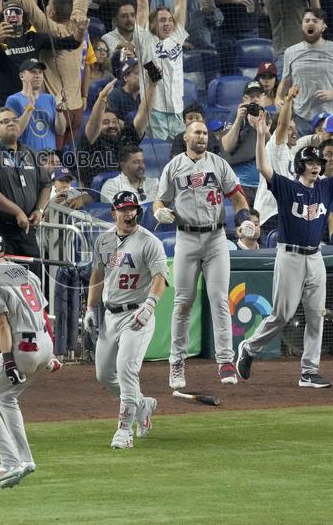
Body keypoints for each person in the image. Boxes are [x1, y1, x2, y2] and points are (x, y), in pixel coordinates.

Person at [237, 110, 333, 388]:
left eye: (318, 162)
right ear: (300, 166)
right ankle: (250, 348)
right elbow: (263, 167)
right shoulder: (286, 187)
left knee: (316, 314)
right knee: (281, 314)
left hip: (315, 256)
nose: (317, 166)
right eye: (311, 163)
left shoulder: (327, 187)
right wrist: (260, 136)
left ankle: (309, 370)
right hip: (289, 255)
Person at [153, 120, 251, 387]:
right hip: (186, 237)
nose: (202, 136)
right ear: (186, 137)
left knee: (220, 299)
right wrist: (159, 211)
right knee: (182, 302)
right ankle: (176, 363)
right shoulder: (173, 167)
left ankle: (225, 361)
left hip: (216, 237)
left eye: (205, 133)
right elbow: (159, 200)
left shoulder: (219, 164)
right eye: (197, 132)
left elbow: (237, 196)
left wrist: (243, 218)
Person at [84, 190, 167, 449]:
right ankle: (142, 405)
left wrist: (150, 305)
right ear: (114, 212)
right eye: (123, 209)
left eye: (132, 209)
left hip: (137, 315)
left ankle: (124, 430)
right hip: (111, 315)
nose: (128, 213)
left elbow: (160, 278)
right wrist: (89, 308)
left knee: (126, 369)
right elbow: (97, 275)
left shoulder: (149, 241)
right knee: (104, 374)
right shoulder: (104, 241)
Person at [0, 229, 54, 486]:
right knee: (8, 399)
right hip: (44, 342)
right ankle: (25, 459)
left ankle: (9, 461)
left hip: (23, 347)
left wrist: (8, 360)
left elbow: (1, 323)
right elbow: (43, 313)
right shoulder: (23, 271)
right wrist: (52, 353)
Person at [0, 0, 90, 148]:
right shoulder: (79, 22)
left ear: (52, 12)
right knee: (67, 161)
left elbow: (27, 2)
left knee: (50, 158)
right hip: (77, 109)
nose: (45, 7)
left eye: (47, 5)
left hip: (55, 110)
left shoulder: (49, 27)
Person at [0, 107, 51, 278]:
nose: (11, 123)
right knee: (7, 284)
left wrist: (39, 210)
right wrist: (17, 211)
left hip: (26, 230)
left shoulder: (29, 152)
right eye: (5, 121)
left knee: (33, 281)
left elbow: (46, 184)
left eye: (15, 120)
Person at [0, 0, 84, 115]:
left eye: (17, 12)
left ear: (23, 18)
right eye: (8, 12)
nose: (13, 15)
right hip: (3, 102)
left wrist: (80, 30)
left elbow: (72, 43)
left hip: (29, 101)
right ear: (2, 18)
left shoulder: (34, 38)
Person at [277, 9, 333, 135]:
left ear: (323, 26)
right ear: (302, 25)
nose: (310, 23)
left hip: (328, 119)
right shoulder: (290, 52)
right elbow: (285, 81)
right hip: (300, 118)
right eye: (307, 21)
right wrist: (278, 97)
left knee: (327, 154)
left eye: (315, 21)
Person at [134, 0, 188, 140]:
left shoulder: (176, 38)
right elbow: (142, 7)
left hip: (177, 110)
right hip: (155, 110)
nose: (168, 24)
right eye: (162, 20)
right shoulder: (145, 40)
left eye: (170, 20)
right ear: (153, 24)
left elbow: (180, 4)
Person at [79, 77, 151, 187]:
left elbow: (143, 117)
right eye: (106, 122)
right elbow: (93, 123)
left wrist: (152, 86)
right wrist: (102, 98)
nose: (111, 125)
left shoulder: (126, 138)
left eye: (114, 122)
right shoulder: (91, 141)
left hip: (129, 189)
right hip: (99, 194)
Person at [4, 58, 63, 155]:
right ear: (21, 76)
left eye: (40, 72)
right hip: (26, 159)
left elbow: (60, 131)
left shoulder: (51, 99)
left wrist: (59, 110)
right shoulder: (13, 100)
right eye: (33, 72)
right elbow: (13, 133)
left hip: (49, 158)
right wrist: (30, 107)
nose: (38, 76)